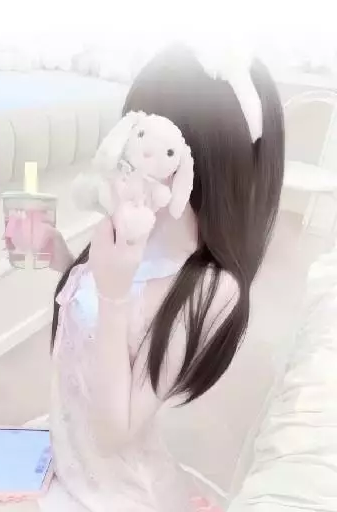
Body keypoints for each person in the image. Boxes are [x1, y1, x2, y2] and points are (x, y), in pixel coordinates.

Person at [38, 43, 284, 512]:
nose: (133, 164)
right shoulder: (136, 226)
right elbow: (90, 311)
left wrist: (112, 295)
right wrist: (64, 260)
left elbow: (114, 431)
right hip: (64, 453)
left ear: (203, 163)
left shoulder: (214, 290)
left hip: (112, 493)